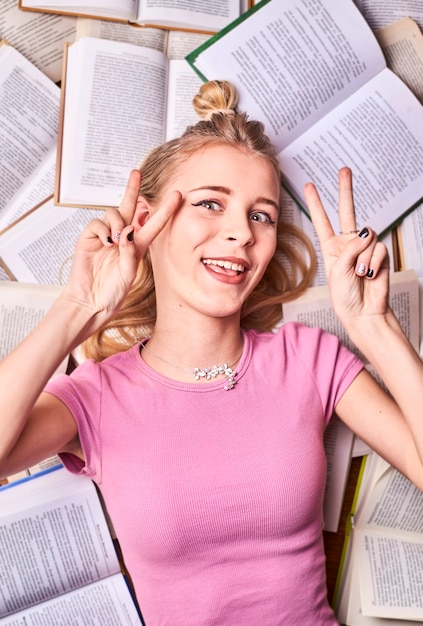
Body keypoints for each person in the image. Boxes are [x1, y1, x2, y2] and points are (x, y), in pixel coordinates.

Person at [1, 80, 423, 626]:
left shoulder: (308, 360)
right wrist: (78, 307)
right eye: (209, 204)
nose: (240, 234)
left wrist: (374, 326)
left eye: (261, 215)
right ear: (147, 223)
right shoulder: (96, 395)